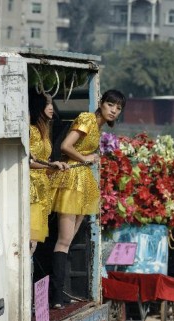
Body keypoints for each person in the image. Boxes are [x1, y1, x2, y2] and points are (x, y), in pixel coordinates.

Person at [49, 89, 126, 309]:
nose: (113, 110)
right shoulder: (86, 118)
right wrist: (86, 158)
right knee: (63, 240)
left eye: (118, 108)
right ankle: (56, 297)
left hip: (84, 183)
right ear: (101, 103)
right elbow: (66, 146)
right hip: (73, 179)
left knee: (69, 240)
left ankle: (61, 293)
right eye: (111, 105)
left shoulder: (98, 126)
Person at [28, 91, 68, 255]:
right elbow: (27, 161)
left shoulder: (43, 131)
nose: (52, 108)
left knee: (35, 240)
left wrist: (52, 168)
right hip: (32, 189)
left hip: (43, 189)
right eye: (47, 104)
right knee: (29, 239)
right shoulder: (29, 130)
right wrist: (49, 166)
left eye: (52, 104)